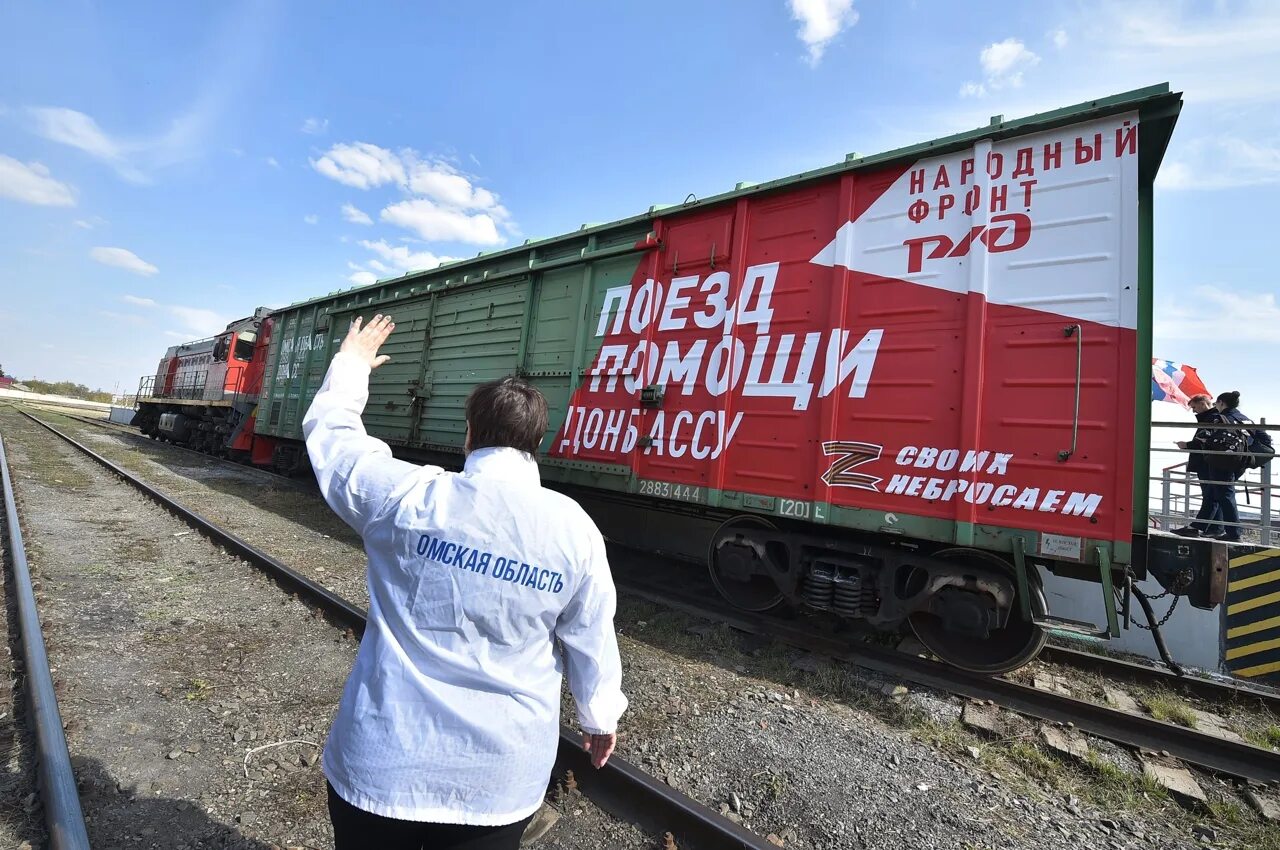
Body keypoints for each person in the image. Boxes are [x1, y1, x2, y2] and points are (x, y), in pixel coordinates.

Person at [302, 314, 627, 850]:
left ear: (470, 434)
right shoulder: (574, 528)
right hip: (497, 783)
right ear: (536, 442)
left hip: (381, 766)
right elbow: (591, 632)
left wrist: (351, 367)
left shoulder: (407, 496)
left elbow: (336, 445)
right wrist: (598, 714)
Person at [1172, 390, 1252, 542]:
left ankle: (1227, 532)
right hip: (1236, 461)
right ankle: (1211, 528)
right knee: (1217, 495)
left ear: (1220, 403)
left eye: (1194, 407)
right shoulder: (1242, 418)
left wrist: (1187, 445)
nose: (1194, 411)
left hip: (1218, 461)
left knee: (1218, 496)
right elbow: (1260, 437)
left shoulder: (1218, 418)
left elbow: (1204, 438)